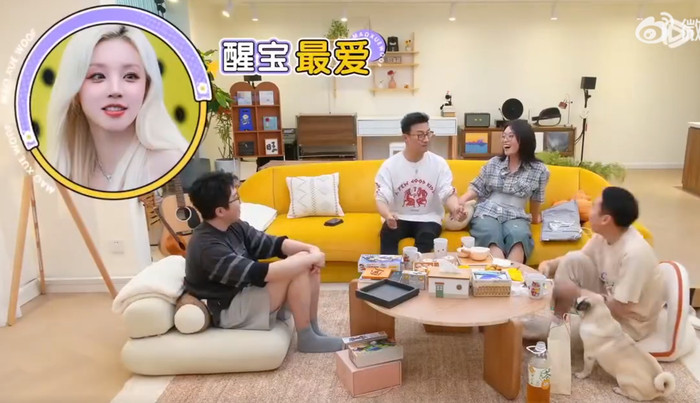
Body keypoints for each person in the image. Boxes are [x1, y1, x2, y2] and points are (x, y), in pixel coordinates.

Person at [184, 171, 344, 353]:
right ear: (220, 211)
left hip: (245, 293)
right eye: (235, 198)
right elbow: (260, 273)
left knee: (304, 262)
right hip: (228, 309)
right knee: (299, 267)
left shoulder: (234, 225)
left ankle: (314, 330)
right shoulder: (207, 247)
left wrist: (311, 250)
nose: (240, 202)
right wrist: (309, 258)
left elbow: (273, 244)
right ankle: (307, 337)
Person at [47, 24, 188, 192]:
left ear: (147, 87)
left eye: (130, 76)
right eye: (98, 76)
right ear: (75, 90)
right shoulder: (66, 172)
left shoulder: (172, 164)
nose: (115, 90)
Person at [541, 186, 664, 341]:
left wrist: (578, 293)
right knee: (573, 259)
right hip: (608, 300)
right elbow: (580, 258)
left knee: (548, 332)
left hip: (627, 324)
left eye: (593, 207)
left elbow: (621, 307)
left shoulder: (635, 254)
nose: (589, 212)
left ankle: (560, 331)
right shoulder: (604, 236)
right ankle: (559, 319)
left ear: (605, 219)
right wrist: (549, 265)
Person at [457, 120, 550, 264]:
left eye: (510, 136)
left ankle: (512, 277)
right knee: (491, 234)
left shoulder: (539, 169)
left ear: (524, 139)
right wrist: (459, 203)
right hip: (488, 211)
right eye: (504, 136)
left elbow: (536, 198)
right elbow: (477, 186)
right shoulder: (494, 162)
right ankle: (496, 276)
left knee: (519, 237)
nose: (505, 140)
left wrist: (535, 217)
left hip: (516, 215)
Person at [375, 112, 463, 254]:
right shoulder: (389, 166)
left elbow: (446, 191)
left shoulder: (439, 163)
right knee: (387, 234)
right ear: (406, 137)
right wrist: (387, 215)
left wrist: (455, 208)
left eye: (428, 133)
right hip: (399, 217)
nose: (426, 139)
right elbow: (381, 197)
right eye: (420, 135)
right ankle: (390, 269)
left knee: (426, 237)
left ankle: (417, 268)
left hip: (429, 218)